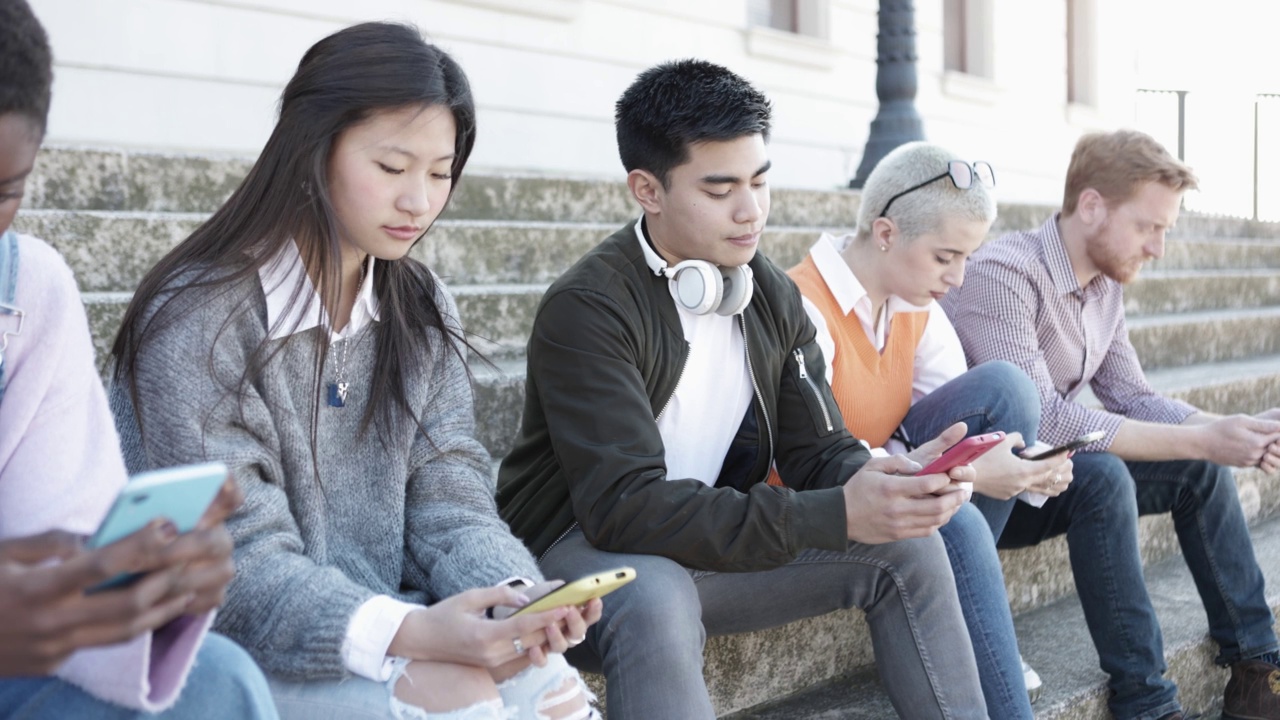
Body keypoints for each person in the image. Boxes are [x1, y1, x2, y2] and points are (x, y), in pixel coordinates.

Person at [109, 22, 600, 720]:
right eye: (393, 168)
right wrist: (414, 634)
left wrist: (517, 602)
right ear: (314, 150)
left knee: (548, 685)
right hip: (214, 645)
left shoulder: (420, 303)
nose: (419, 202)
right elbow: (235, 561)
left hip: (378, 622)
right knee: (460, 698)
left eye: (440, 173)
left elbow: (450, 498)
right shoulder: (200, 316)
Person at [497, 59, 1000, 719]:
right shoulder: (589, 309)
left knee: (909, 545)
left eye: (760, 181)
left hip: (697, 541)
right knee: (656, 592)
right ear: (648, 190)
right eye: (720, 188)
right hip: (573, 553)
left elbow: (819, 452)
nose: (751, 210)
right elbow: (623, 508)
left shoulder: (768, 293)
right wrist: (835, 513)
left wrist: (885, 478)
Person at [941, 128, 1280, 720]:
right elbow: (1045, 416)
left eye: (1165, 230)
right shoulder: (1002, 274)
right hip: (985, 494)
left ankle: (1258, 670)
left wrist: (1230, 429)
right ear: (1092, 205)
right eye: (1149, 226)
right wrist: (1204, 436)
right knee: (1103, 476)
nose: (1158, 248)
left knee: (1198, 467)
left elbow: (1133, 396)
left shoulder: (1103, 286)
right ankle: (1147, 703)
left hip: (1050, 482)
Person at [0, 1, 277, 718]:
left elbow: (58, 553)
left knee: (221, 684)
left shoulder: (26, 291)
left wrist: (142, 589)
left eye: (5, 191)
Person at [778, 140, 1077, 717]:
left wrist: (1026, 463)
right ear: (886, 233)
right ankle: (978, 651)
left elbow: (972, 429)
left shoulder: (913, 304)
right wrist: (967, 477)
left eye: (967, 258)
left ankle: (963, 617)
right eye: (946, 257)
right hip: (810, 498)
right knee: (959, 523)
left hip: (888, 470)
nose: (959, 278)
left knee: (1006, 387)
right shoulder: (803, 306)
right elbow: (812, 456)